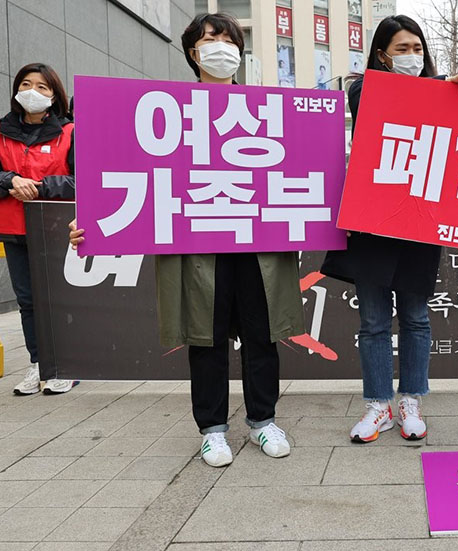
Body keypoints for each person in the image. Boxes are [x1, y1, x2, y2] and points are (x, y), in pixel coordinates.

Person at [70, 13, 305, 467]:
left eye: (229, 39)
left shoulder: (268, 110)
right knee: (205, 337)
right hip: (197, 246)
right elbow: (127, 171)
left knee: (262, 334)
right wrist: (92, 221)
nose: (221, 47)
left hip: (257, 243)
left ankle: (263, 420)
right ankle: (212, 431)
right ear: (193, 52)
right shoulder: (166, 110)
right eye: (210, 39)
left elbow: (302, 169)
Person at [321, 15, 458, 444]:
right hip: (373, 223)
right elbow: (373, 102)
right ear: (382, 55)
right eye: (402, 49)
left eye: (417, 49)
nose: (412, 56)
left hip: (421, 221)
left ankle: (411, 401)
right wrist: (444, 87)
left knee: (416, 318)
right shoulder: (363, 87)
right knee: (374, 321)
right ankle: (377, 405)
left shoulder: (444, 94)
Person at [0, 63, 78, 396]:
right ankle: (38, 364)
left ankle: (65, 366)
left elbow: (82, 180)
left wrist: (40, 186)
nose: (33, 91)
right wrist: (10, 180)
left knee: (58, 298)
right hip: (14, 228)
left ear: (55, 95)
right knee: (28, 301)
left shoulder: (70, 132)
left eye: (42, 87)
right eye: (26, 84)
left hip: (57, 228)